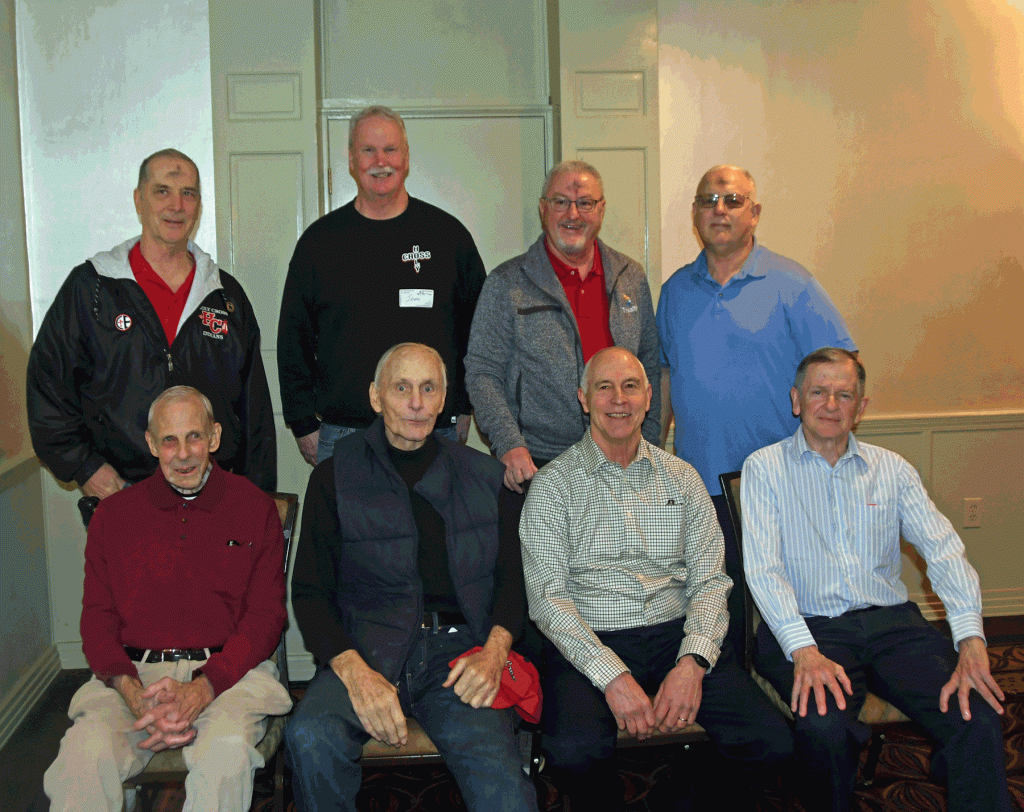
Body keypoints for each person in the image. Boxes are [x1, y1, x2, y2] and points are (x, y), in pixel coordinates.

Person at [520, 347, 792, 811]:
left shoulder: (683, 479)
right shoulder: (553, 486)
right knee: (573, 753)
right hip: (591, 636)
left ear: (649, 397)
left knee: (771, 743)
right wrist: (612, 677)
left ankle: (679, 797)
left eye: (630, 387)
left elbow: (711, 581)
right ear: (583, 398)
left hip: (675, 634)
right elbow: (548, 600)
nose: (618, 399)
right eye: (604, 387)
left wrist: (693, 663)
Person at [742, 348, 1013, 812]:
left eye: (844, 395)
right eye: (819, 392)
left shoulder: (893, 469)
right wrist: (804, 651)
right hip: (809, 628)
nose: (831, 405)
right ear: (796, 400)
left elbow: (943, 550)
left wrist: (970, 638)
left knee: (977, 712)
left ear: (861, 407)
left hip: (892, 626)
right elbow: (763, 569)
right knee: (825, 730)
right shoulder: (764, 468)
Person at [286, 343, 538, 812]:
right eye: (402, 388)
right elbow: (310, 593)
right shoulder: (334, 477)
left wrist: (494, 653)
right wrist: (355, 673)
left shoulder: (485, 477)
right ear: (376, 397)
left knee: (502, 786)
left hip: (457, 657)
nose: (417, 403)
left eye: (428, 389)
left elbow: (512, 583)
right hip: (365, 647)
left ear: (444, 399)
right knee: (310, 736)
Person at [43, 386, 292, 812]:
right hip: (132, 678)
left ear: (214, 437)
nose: (183, 454)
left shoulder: (254, 507)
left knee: (224, 758)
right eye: (169, 440)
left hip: (229, 675)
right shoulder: (113, 516)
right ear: (151, 444)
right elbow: (97, 620)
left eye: (194, 437)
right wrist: (130, 689)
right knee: (82, 760)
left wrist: (203, 688)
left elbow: (266, 617)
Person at [656, 163, 855, 653]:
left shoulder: (792, 283)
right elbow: (665, 378)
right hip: (700, 486)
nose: (719, 210)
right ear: (695, 213)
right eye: (708, 200)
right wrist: (651, 458)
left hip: (780, 486)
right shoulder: (675, 291)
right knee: (717, 617)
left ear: (755, 213)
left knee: (793, 617)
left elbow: (840, 370)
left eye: (733, 200)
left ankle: (806, 691)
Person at [26, 148, 277, 499]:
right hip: (123, 494)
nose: (177, 205)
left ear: (198, 205)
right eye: (162, 191)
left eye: (188, 193)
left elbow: (255, 413)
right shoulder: (92, 289)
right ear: (138, 200)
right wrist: (85, 468)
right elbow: (47, 387)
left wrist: (256, 499)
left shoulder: (225, 296)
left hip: (215, 495)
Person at [278, 105, 486, 466]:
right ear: (351, 159)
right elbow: (293, 340)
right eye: (368, 150)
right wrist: (302, 422)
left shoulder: (447, 237)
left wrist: (466, 405)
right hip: (345, 434)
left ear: (406, 157)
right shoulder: (320, 243)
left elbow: (481, 331)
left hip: (434, 430)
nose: (380, 161)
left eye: (390, 149)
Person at [466, 160, 661, 494]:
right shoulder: (506, 283)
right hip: (538, 464)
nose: (573, 214)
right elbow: (482, 371)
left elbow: (649, 365)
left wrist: (650, 443)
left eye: (585, 202)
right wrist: (508, 443)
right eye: (561, 202)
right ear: (543, 209)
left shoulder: (630, 277)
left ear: (601, 210)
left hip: (621, 460)